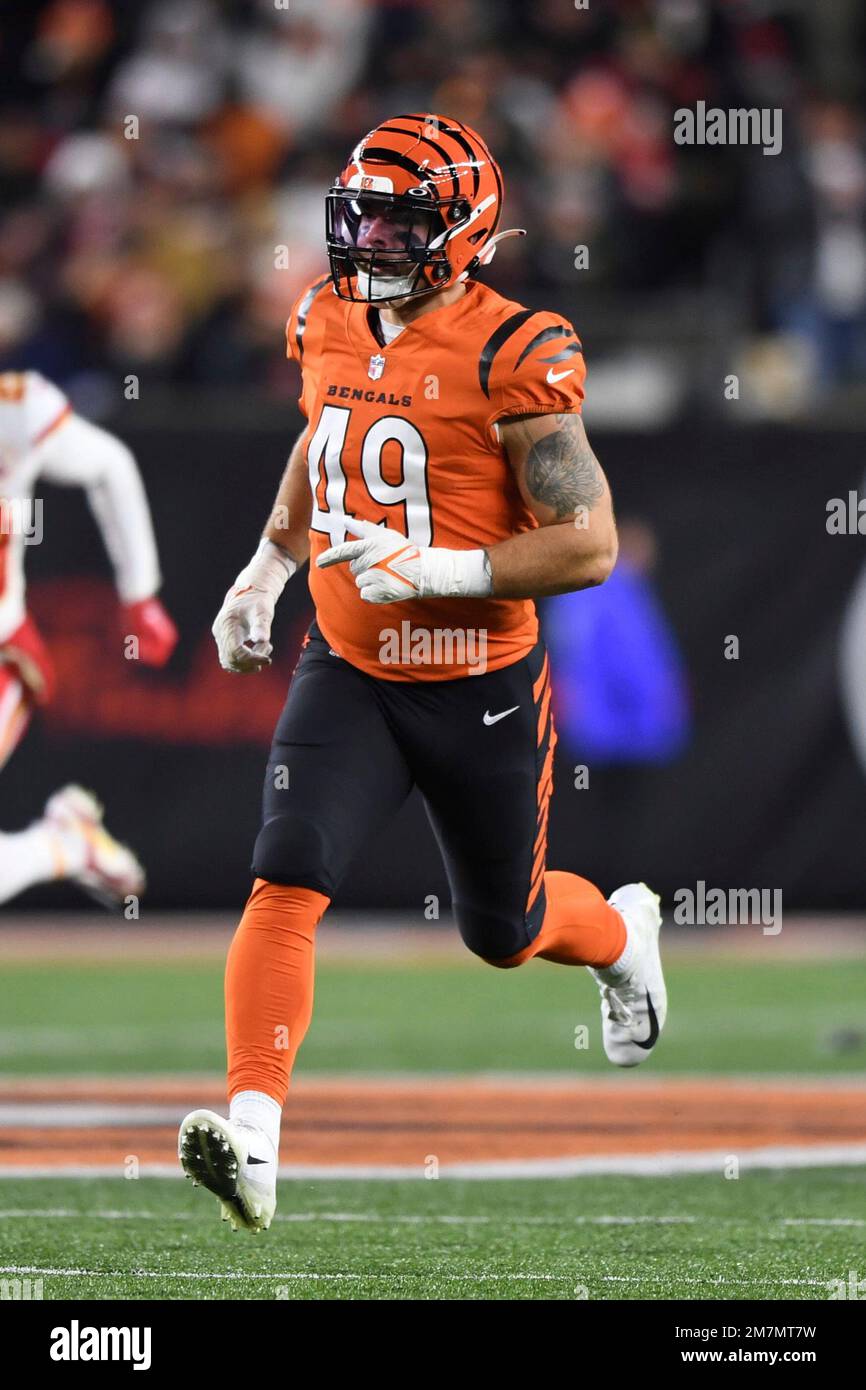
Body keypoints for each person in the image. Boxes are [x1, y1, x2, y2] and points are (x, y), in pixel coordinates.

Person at [179, 114, 667, 1232]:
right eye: (360, 211)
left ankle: (622, 938)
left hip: (475, 676)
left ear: (466, 230)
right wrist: (264, 568)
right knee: (286, 873)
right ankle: (252, 1138)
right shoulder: (324, 316)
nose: (368, 236)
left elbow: (586, 542)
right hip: (348, 664)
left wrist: (435, 567)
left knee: (505, 927)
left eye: (399, 218)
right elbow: (320, 438)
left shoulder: (514, 349)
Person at [0, 370, 177, 905]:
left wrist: (140, 593)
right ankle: (64, 844)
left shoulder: (14, 408)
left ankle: (62, 846)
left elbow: (107, 465)